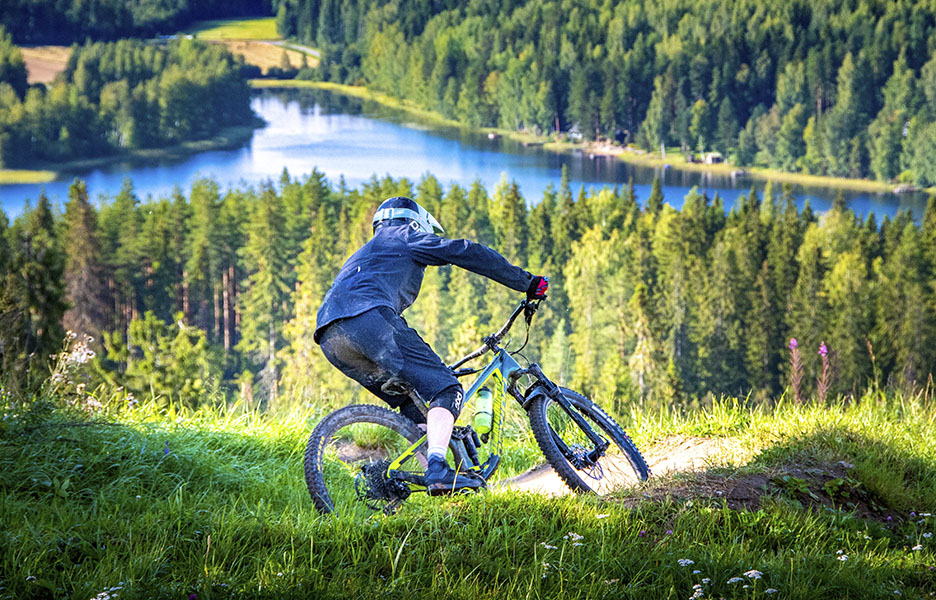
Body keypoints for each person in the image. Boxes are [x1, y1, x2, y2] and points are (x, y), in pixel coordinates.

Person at [314, 196, 548, 495]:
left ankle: (434, 479)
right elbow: (467, 251)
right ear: (416, 221)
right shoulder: (404, 236)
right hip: (369, 320)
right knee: (446, 389)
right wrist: (527, 283)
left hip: (331, 337)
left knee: (412, 406)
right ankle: (438, 469)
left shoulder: (364, 253)